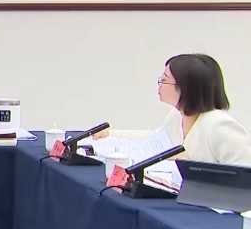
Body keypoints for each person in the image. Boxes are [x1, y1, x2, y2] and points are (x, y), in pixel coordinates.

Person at [95, 54, 251, 165]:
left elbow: (243, 176)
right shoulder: (177, 115)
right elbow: (154, 139)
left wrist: (189, 163)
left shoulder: (220, 125)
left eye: (164, 80)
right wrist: (111, 135)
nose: (159, 84)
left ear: (186, 88)